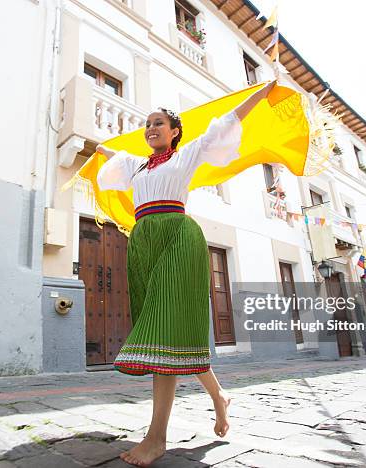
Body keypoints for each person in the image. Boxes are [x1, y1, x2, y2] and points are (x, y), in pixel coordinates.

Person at [96, 80, 276, 467]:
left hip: (178, 238)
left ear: (174, 131)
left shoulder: (187, 154)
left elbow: (224, 123)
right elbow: (114, 155)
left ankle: (156, 439)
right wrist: (99, 148)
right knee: (173, 337)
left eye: (158, 123)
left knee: (163, 331)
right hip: (144, 242)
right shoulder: (137, 165)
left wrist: (260, 94)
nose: (151, 129)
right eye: (147, 125)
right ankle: (220, 398)